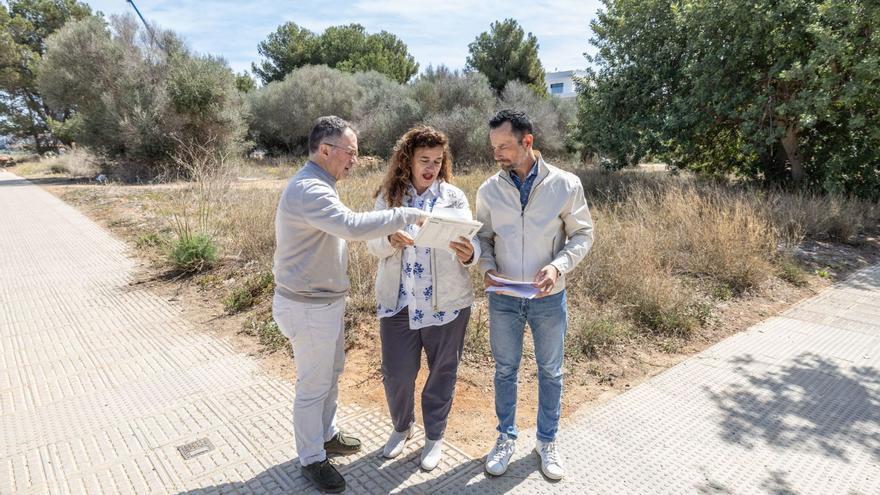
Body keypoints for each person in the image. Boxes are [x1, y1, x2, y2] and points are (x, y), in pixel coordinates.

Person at [272, 116, 427, 493]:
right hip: (308, 307)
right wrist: (406, 214)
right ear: (326, 150)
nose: (354, 160)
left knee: (330, 374)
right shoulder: (311, 189)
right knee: (313, 385)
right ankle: (311, 458)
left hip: (322, 303)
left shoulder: (319, 183)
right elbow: (353, 226)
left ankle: (326, 435)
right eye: (350, 153)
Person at [475, 110, 594, 480]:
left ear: (528, 142)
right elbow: (482, 238)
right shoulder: (488, 189)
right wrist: (486, 268)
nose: (498, 154)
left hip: (549, 297)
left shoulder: (566, 184)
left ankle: (546, 441)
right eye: (494, 147)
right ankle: (506, 437)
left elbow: (582, 235)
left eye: (505, 146)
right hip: (504, 297)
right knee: (505, 370)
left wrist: (558, 267)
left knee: (551, 371)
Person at [366, 125, 480, 471]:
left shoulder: (454, 198)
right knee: (396, 373)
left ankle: (434, 437)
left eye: (437, 160)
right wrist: (390, 241)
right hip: (399, 302)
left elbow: (473, 244)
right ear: (407, 161)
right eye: (423, 160)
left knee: (442, 373)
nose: (430, 167)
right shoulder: (389, 198)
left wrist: (468, 254)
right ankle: (402, 428)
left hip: (447, 303)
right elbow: (372, 244)